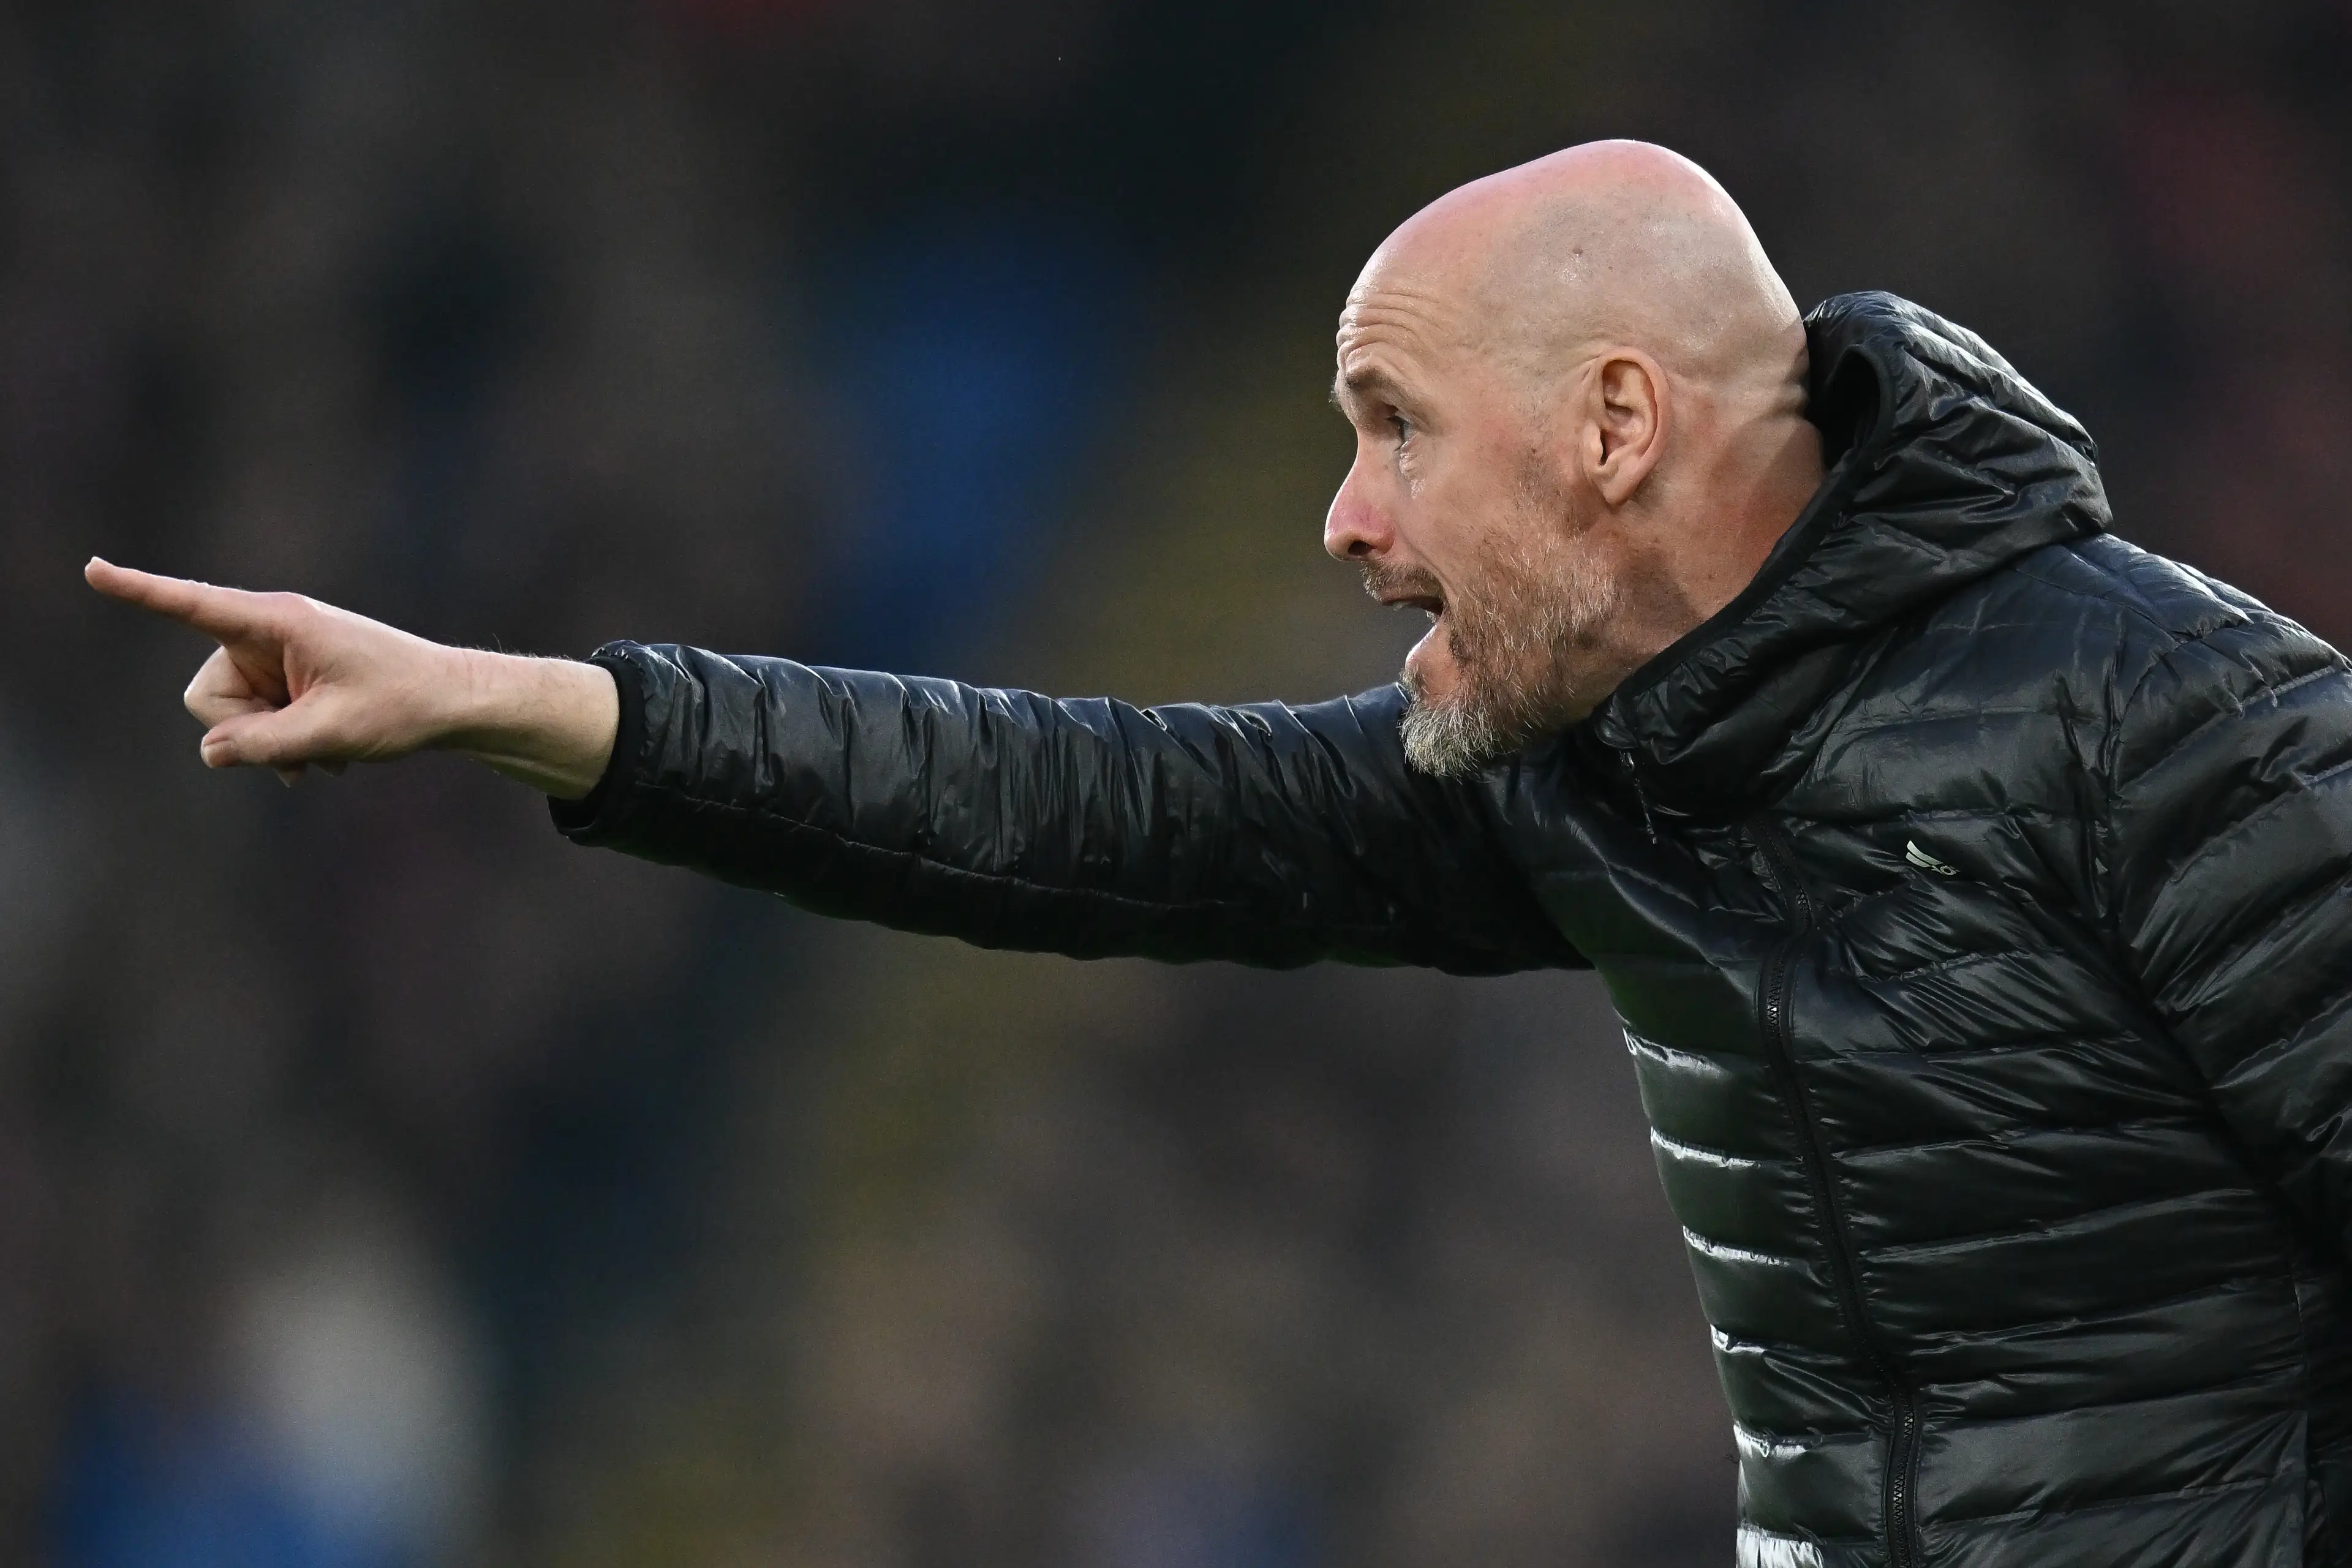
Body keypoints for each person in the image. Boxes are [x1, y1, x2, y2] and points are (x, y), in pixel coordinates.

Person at [89, 140, 2352, 1567]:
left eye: (1392, 430)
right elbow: (1102, 813)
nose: (1348, 521)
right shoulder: (1608, 757)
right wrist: (538, 709)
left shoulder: (2174, 727)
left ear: (1618, 428)